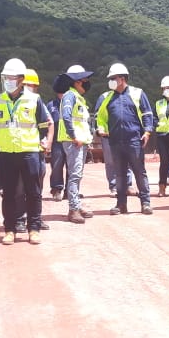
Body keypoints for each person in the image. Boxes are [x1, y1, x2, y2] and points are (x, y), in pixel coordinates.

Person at [0, 60, 53, 245]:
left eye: (11, 78)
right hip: (6, 152)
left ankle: (33, 229)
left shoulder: (34, 99)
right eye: (5, 78)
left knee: (33, 192)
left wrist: (44, 141)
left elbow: (44, 124)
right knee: (9, 193)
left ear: (20, 79)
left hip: (29, 152)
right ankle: (9, 230)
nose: (7, 81)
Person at [96, 63, 154, 215]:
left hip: (134, 140)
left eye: (113, 78)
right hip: (115, 142)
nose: (111, 81)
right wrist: (99, 129)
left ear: (122, 79)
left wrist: (147, 131)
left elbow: (147, 113)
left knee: (139, 172)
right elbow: (100, 118)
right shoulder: (107, 98)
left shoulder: (138, 93)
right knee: (120, 174)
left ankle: (145, 203)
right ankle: (121, 204)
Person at [59, 64, 97, 224]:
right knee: (74, 175)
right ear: (76, 82)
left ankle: (76, 204)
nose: (86, 83)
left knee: (77, 175)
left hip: (79, 142)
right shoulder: (70, 96)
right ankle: (73, 209)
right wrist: (74, 136)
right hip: (74, 142)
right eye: (84, 81)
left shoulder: (78, 97)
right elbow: (67, 117)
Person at [96, 88, 137, 197]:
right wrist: (101, 130)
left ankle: (128, 185)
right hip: (108, 135)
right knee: (110, 161)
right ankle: (114, 186)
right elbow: (98, 115)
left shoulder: (129, 95)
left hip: (124, 134)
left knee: (126, 159)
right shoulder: (104, 97)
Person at [47, 85, 68, 201]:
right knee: (56, 165)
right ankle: (56, 189)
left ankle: (70, 191)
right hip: (56, 141)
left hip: (70, 140)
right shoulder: (51, 105)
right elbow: (47, 123)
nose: (62, 93)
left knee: (72, 167)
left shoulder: (72, 103)